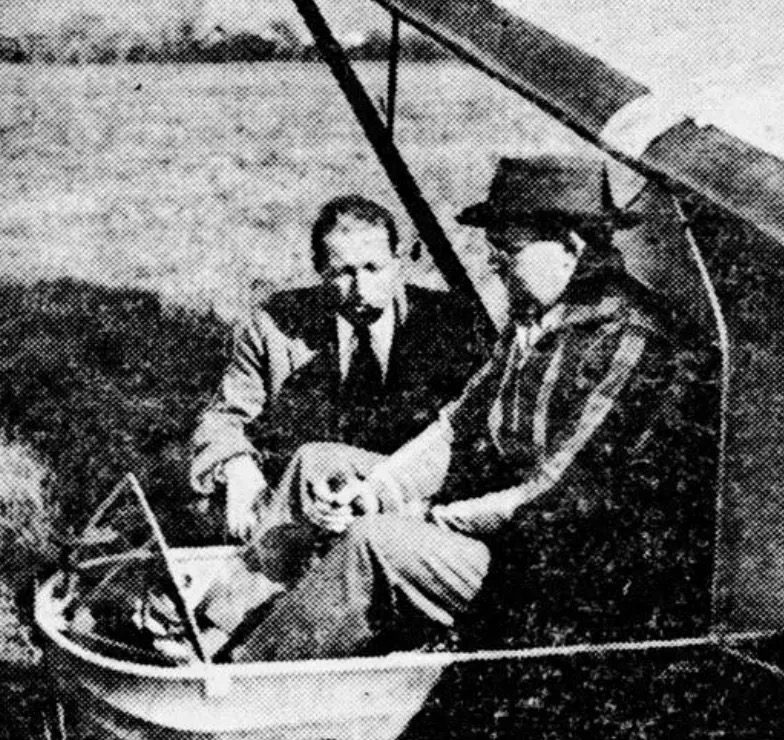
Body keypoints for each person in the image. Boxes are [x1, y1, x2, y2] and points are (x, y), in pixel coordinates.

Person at [189, 155, 698, 662]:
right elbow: (455, 428)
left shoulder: (629, 340)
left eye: (506, 249)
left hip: (544, 558)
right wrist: (375, 491)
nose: (494, 263)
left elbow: (547, 495)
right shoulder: (534, 318)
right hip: (486, 520)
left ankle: (245, 682)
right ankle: (208, 628)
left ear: (570, 247)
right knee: (318, 466)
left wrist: (422, 516)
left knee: (374, 542)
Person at [189, 195, 489, 541]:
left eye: (373, 268)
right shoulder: (278, 325)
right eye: (344, 273)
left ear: (398, 261)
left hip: (404, 494)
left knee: (315, 460)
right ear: (319, 271)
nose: (361, 288)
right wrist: (237, 466)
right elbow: (224, 417)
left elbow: (470, 439)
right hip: (311, 507)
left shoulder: (449, 323)